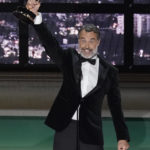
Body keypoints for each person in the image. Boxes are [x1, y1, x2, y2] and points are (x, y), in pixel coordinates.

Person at [20, 0, 130, 150]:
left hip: (92, 132)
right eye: (83, 40)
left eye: (91, 41)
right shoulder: (69, 59)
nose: (86, 45)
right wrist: (37, 18)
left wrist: (122, 137)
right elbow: (51, 44)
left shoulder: (110, 72)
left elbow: (116, 107)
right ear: (78, 41)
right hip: (65, 127)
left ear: (98, 42)